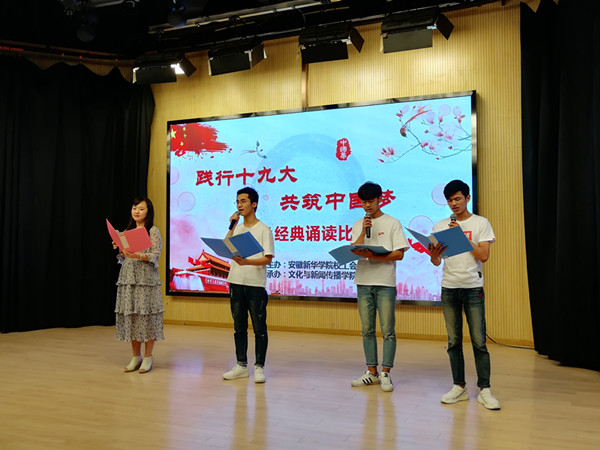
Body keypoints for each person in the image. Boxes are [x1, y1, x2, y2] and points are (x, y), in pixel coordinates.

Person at [428, 179, 500, 410]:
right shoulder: (440, 226)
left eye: (457, 199)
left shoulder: (481, 223)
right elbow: (437, 261)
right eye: (450, 200)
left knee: (479, 341)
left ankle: (485, 390)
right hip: (449, 287)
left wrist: (461, 237)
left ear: (467, 198)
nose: (454, 203)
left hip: (472, 288)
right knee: (453, 341)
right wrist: (434, 255)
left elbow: (484, 256)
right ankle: (459, 387)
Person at [349, 181, 409, 392]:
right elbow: (353, 250)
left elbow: (399, 254)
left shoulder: (392, 223)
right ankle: (371, 372)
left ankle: (385, 373)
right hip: (363, 282)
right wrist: (364, 231)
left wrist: (375, 256)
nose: (367, 205)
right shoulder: (359, 223)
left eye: (371, 201)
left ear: (379, 199)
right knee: (367, 330)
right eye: (364, 202)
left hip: (385, 283)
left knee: (387, 330)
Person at [222, 187, 275, 383]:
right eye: (237, 202)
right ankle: (241, 365)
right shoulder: (237, 228)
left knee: (259, 328)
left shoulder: (263, 229)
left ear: (254, 204)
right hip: (236, 282)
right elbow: (226, 246)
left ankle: (259, 367)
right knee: (239, 327)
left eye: (243, 201)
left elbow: (268, 258)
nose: (239, 205)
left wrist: (247, 262)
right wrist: (231, 226)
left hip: (255, 284)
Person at [113, 196, 164, 374]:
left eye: (141, 208)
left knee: (147, 316)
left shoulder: (153, 231)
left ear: (148, 212)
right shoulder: (127, 231)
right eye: (134, 208)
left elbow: (155, 255)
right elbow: (123, 257)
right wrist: (122, 251)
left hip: (146, 279)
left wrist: (137, 255)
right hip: (129, 278)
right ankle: (136, 356)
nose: (137, 211)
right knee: (133, 315)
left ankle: (148, 357)